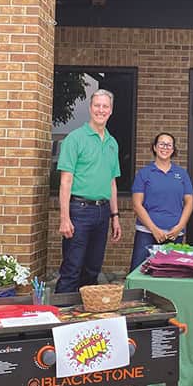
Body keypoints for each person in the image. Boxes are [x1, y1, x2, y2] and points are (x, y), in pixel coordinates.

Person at [55, 89, 122, 293]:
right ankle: (62, 321)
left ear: (111, 111)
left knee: (92, 270)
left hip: (102, 213)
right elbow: (65, 181)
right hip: (79, 211)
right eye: (97, 105)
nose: (101, 110)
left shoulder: (112, 143)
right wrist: (64, 218)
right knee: (72, 269)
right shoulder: (74, 139)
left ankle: (84, 320)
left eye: (105, 106)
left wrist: (115, 216)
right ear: (90, 108)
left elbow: (111, 182)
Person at [129, 132, 193, 271]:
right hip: (146, 232)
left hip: (174, 233)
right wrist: (154, 229)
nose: (165, 147)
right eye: (161, 144)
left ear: (173, 149)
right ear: (154, 147)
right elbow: (136, 204)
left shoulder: (181, 174)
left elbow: (189, 202)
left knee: (171, 275)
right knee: (139, 272)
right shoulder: (144, 173)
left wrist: (180, 227)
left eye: (169, 145)